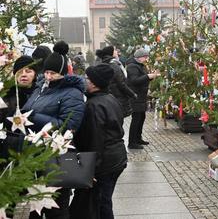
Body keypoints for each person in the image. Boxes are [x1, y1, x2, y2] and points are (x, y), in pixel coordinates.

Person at [23, 41, 85, 219]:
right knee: (34, 206)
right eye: (47, 72)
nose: (49, 76)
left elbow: (68, 125)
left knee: (57, 209)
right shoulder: (41, 89)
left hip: (58, 158)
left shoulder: (72, 93)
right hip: (35, 155)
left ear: (63, 73)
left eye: (53, 73)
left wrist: (33, 117)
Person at [71, 63, 127, 219]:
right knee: (103, 200)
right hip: (116, 157)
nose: (84, 80)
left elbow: (95, 140)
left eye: (87, 78)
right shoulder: (109, 98)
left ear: (94, 83)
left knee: (101, 203)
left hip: (105, 163)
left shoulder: (93, 106)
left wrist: (91, 169)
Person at [0, 56, 37, 159]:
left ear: (35, 74)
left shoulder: (41, 94)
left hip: (35, 150)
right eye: (20, 71)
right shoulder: (6, 95)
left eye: (28, 71)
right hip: (9, 150)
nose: (24, 74)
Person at [126, 48, 159, 149]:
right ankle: (132, 142)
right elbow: (134, 80)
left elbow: (143, 78)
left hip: (141, 96)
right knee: (136, 119)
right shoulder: (132, 66)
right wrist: (148, 76)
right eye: (145, 57)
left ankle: (138, 138)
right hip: (135, 96)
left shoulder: (140, 66)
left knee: (141, 117)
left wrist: (151, 76)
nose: (146, 59)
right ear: (139, 57)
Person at [96, 45, 136, 117]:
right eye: (114, 50)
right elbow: (121, 83)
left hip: (110, 98)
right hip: (118, 98)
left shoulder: (105, 64)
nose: (116, 51)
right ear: (111, 53)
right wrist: (132, 94)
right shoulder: (114, 65)